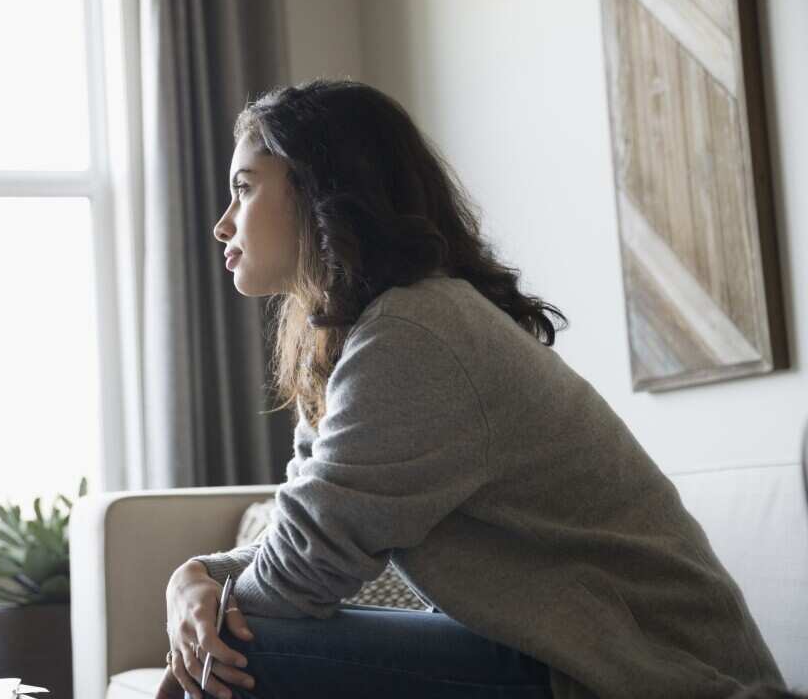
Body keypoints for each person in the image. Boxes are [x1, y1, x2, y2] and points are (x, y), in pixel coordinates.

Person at [154, 79, 788, 699]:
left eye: (243, 189)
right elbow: (306, 528)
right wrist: (199, 575)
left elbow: (307, 569)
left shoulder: (414, 333)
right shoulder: (363, 335)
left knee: (240, 650)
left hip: (641, 673)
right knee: (229, 644)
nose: (222, 224)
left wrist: (199, 632)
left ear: (318, 191)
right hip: (559, 656)